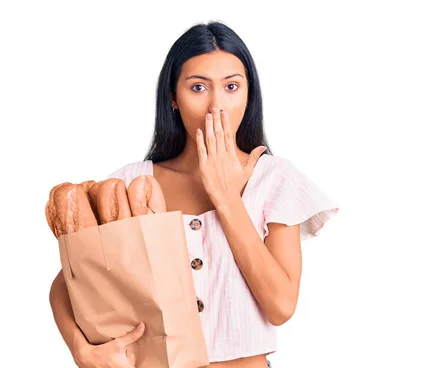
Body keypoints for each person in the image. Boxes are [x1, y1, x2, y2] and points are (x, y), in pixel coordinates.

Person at [49, 21, 339, 368]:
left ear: (249, 94)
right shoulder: (132, 184)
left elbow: (280, 306)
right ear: (173, 97)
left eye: (232, 86)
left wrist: (227, 199)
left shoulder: (274, 178)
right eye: (198, 87)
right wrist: (82, 350)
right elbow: (69, 281)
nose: (217, 105)